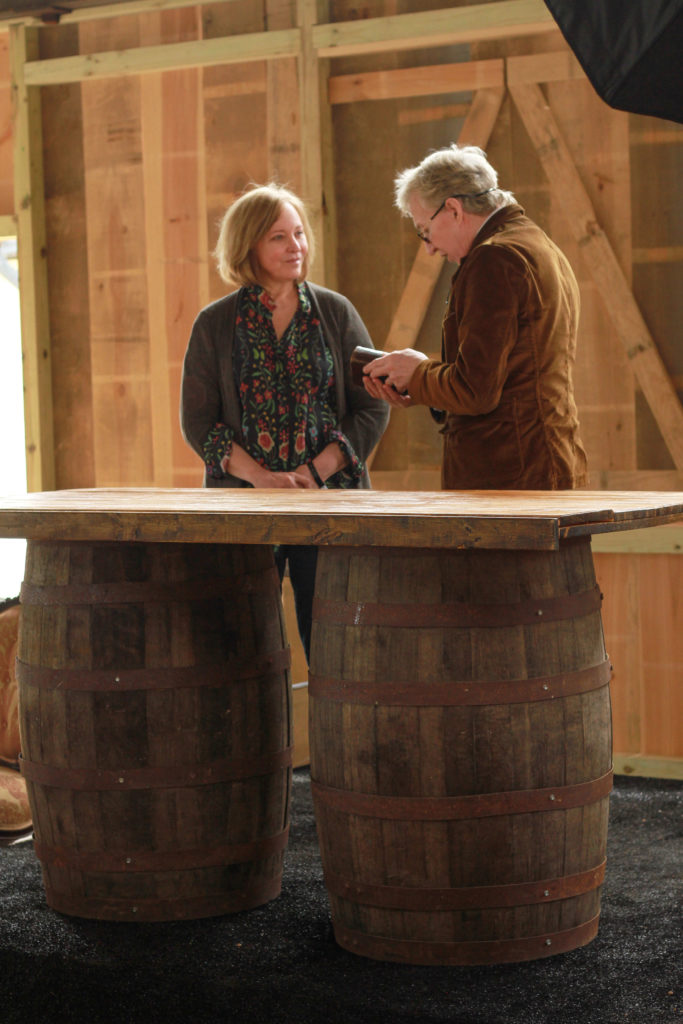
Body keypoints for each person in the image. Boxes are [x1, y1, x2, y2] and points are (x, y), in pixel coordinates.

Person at [180, 183, 389, 662]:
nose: (296, 246)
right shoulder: (214, 325)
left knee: (339, 652)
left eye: (299, 234)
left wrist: (316, 473)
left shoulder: (336, 313)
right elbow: (198, 423)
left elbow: (372, 407)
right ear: (247, 245)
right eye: (279, 237)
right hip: (245, 512)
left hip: (332, 506)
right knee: (246, 650)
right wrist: (261, 479)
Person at [363, 144, 588, 491]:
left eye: (425, 230)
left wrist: (419, 373)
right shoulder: (535, 243)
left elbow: (476, 391)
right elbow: (507, 377)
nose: (429, 248)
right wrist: (422, 384)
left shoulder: (494, 260)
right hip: (542, 464)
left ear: (452, 209)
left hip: (509, 477)